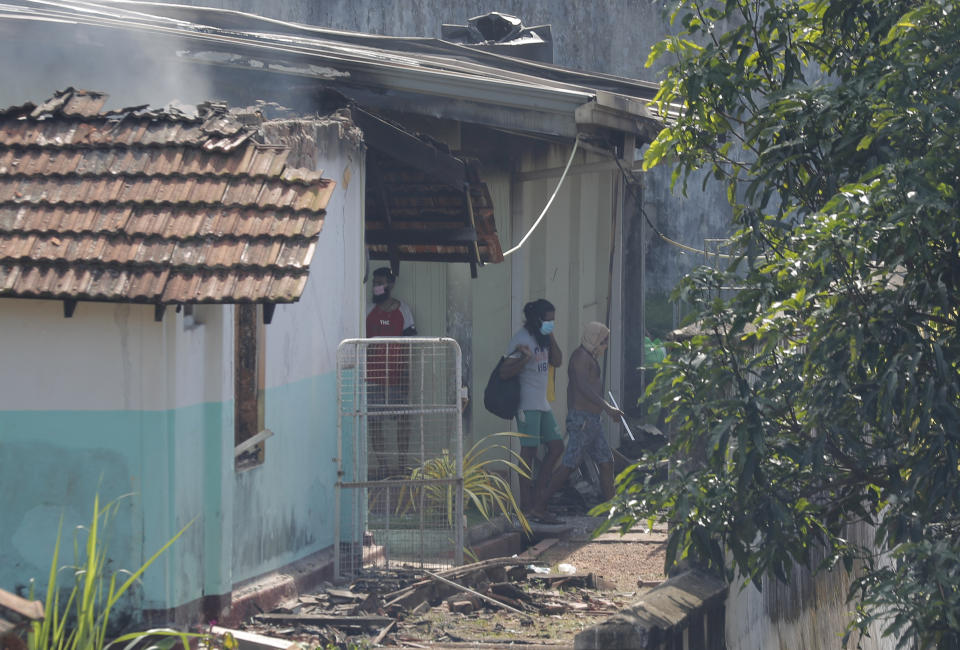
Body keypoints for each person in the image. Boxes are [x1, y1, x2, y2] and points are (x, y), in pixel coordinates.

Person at [532, 322, 624, 517]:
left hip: (592, 421)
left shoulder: (588, 357)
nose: (605, 345)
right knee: (569, 465)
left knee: (606, 462)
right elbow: (582, 387)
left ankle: (611, 509)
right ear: (594, 339)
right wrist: (607, 408)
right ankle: (539, 504)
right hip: (583, 421)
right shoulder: (580, 358)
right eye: (603, 341)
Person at [500, 299, 564, 524]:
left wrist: (551, 335)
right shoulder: (521, 339)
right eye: (548, 320)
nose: (551, 323)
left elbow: (558, 360)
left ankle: (538, 500)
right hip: (526, 403)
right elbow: (505, 371)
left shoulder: (543, 337)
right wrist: (524, 358)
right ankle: (526, 505)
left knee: (556, 447)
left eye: (553, 321)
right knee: (528, 451)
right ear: (537, 319)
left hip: (542, 403)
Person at [365, 267, 416, 480]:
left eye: (381, 282)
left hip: (397, 375)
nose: (377, 286)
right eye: (375, 282)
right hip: (372, 377)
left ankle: (402, 465)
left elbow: (411, 342)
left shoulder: (403, 309)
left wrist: (406, 372)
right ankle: (383, 465)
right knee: (374, 421)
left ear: (390, 285)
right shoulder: (367, 310)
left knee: (403, 419)